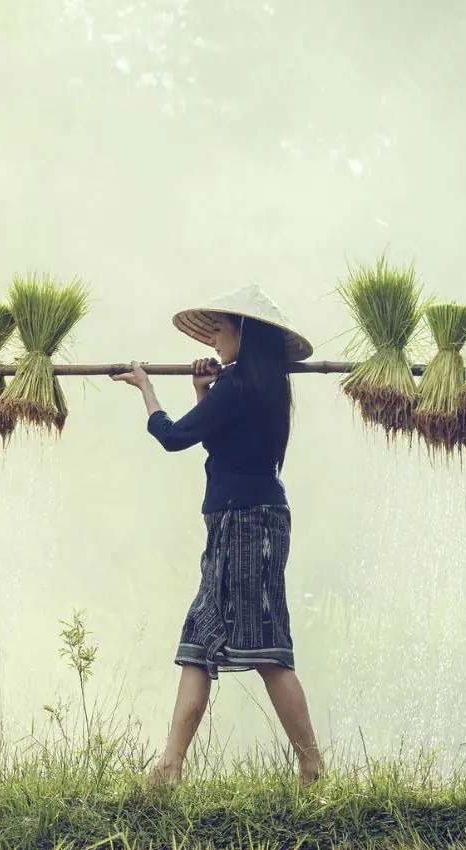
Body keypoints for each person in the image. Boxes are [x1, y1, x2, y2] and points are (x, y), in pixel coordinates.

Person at [113, 285, 326, 786]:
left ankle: (312, 767)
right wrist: (204, 393)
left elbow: (173, 437)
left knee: (267, 647)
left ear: (243, 333)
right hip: (242, 521)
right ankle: (170, 767)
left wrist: (146, 387)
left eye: (220, 331)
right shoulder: (258, 387)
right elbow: (226, 441)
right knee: (199, 640)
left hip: (246, 524)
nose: (213, 342)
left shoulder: (241, 386)